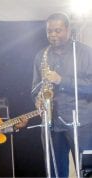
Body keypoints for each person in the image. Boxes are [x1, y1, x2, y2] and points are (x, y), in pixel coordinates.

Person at [32, 13, 92, 177]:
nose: (53, 35)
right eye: (49, 31)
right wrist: (37, 99)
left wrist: (62, 80)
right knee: (55, 171)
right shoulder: (41, 56)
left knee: (87, 170)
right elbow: (35, 87)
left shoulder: (85, 53)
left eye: (57, 31)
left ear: (68, 29)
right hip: (52, 122)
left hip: (82, 122)